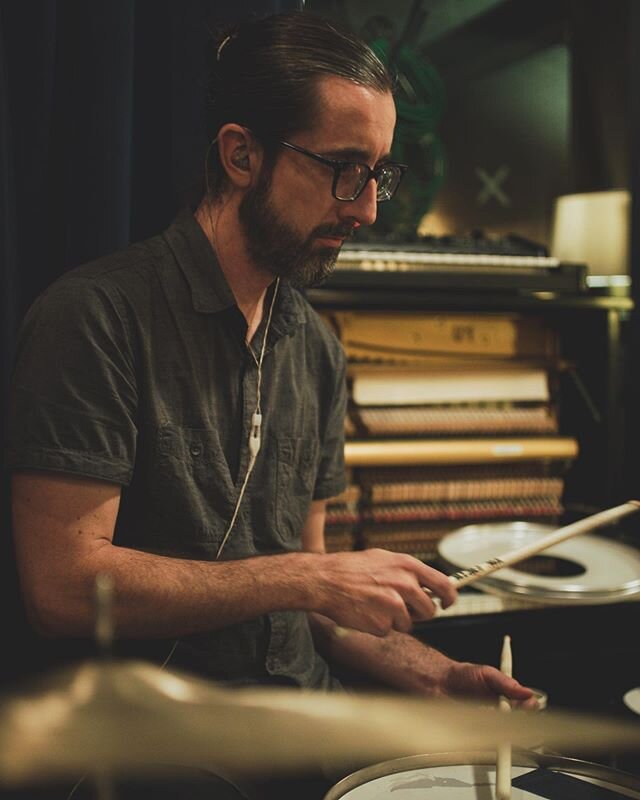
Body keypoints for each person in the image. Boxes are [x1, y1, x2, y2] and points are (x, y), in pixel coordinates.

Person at [7, 12, 535, 707]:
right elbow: (63, 589)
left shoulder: (315, 349)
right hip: (155, 742)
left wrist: (436, 674)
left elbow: (317, 600)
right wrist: (306, 578)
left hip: (301, 718)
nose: (369, 210)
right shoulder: (94, 318)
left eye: (380, 174)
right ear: (241, 156)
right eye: (346, 170)